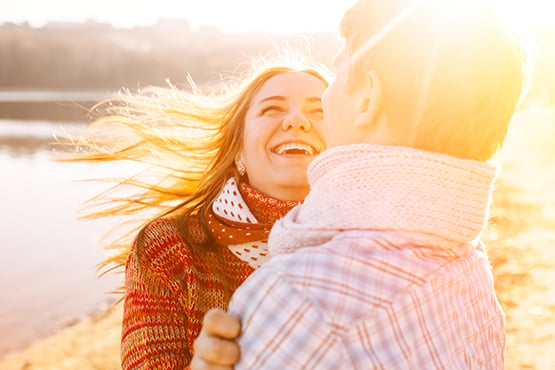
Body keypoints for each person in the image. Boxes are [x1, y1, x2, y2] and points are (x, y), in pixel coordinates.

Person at [206, 0, 526, 368]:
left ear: (368, 99)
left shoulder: (301, 298)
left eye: (337, 75)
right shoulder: (470, 263)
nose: (322, 105)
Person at [59, 54, 331, 369]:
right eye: (272, 109)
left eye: (320, 110)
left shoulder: (374, 243)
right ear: (238, 149)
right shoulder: (168, 248)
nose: (297, 121)